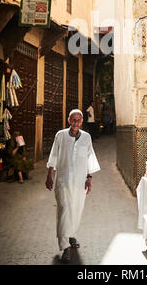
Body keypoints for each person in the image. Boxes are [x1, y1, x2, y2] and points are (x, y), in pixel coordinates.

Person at [45, 109, 100, 263]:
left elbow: (90, 158)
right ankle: (65, 248)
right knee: (64, 211)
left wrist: (89, 178)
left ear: (82, 121)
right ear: (69, 120)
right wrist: (50, 175)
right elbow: (54, 155)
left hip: (79, 182)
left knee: (76, 210)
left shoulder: (86, 137)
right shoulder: (60, 135)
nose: (76, 123)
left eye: (78, 120)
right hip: (62, 181)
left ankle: (71, 235)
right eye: (73, 120)